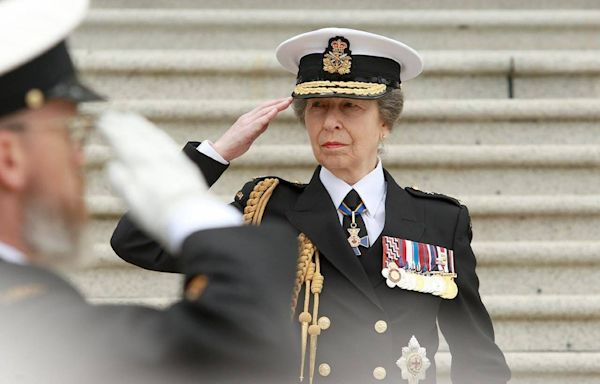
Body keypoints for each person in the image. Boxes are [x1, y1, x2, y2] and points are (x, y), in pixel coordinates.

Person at [112, 28, 511, 384]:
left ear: (385, 122)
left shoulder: (439, 220)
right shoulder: (266, 209)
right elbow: (137, 241)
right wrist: (218, 153)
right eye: (318, 106)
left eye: (350, 107)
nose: (330, 122)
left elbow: (477, 355)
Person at [0, 0, 297, 383]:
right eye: (68, 134)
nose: (78, 157)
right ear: (9, 159)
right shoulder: (22, 319)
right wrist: (188, 207)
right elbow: (245, 347)